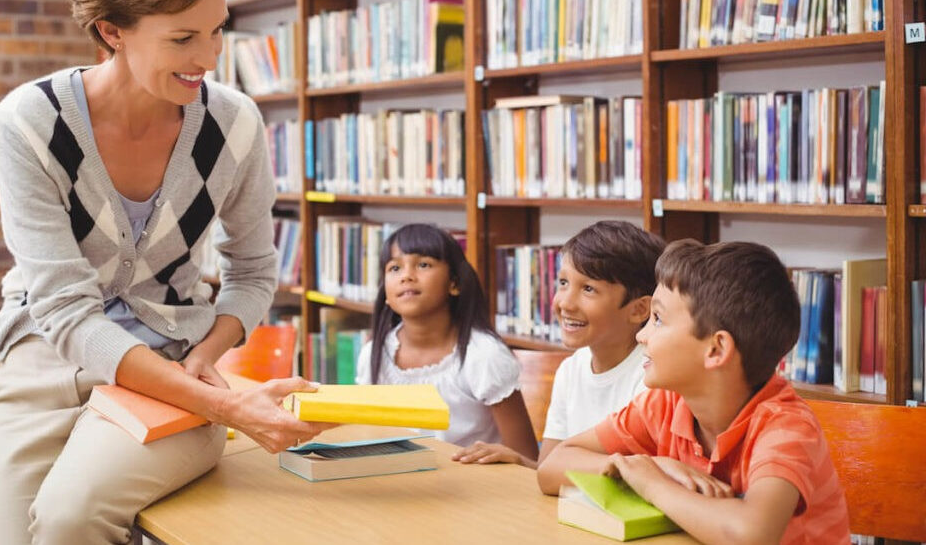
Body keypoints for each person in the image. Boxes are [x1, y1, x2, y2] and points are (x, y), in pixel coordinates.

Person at [0, 0, 329, 545]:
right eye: (183, 39)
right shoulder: (29, 123)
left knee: (69, 519)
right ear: (112, 31)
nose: (209, 58)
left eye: (218, 31)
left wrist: (205, 364)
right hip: (41, 361)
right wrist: (230, 406)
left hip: (175, 368)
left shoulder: (234, 125)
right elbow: (67, 313)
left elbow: (251, 270)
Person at [538, 240, 850, 544]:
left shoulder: (785, 427)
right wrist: (641, 466)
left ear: (716, 349)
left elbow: (751, 535)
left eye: (658, 319)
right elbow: (552, 467)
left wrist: (652, 484)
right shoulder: (665, 404)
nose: (642, 334)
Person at [453, 220, 664, 468]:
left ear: (639, 310)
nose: (565, 303)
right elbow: (549, 468)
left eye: (588, 289)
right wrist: (518, 461)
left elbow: (629, 476)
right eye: (563, 283)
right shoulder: (570, 369)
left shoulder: (651, 377)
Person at [356, 223, 538, 462]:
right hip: (400, 483)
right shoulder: (374, 353)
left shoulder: (484, 356)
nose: (406, 276)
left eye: (423, 265)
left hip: (475, 489)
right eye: (395, 268)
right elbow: (367, 435)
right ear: (386, 294)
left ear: (454, 283)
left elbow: (526, 459)